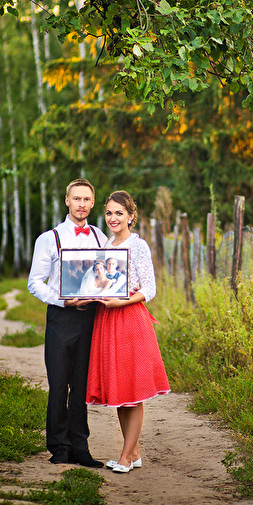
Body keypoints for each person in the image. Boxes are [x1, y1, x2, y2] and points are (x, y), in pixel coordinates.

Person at [86, 190, 170, 473]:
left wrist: (121, 301)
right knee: (120, 390)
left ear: (131, 216)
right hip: (107, 319)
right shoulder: (105, 246)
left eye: (119, 213)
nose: (113, 218)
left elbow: (150, 289)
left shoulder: (138, 246)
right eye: (109, 213)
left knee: (132, 389)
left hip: (129, 319)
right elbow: (100, 282)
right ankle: (133, 452)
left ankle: (125, 457)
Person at [27, 179, 108, 468]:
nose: (81, 204)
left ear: (92, 203)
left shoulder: (100, 237)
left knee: (82, 384)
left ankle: (80, 447)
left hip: (91, 318)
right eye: (76, 199)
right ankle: (59, 447)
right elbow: (35, 282)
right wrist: (62, 300)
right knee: (59, 383)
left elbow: (110, 274)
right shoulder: (49, 238)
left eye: (86, 199)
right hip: (61, 316)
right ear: (67, 201)